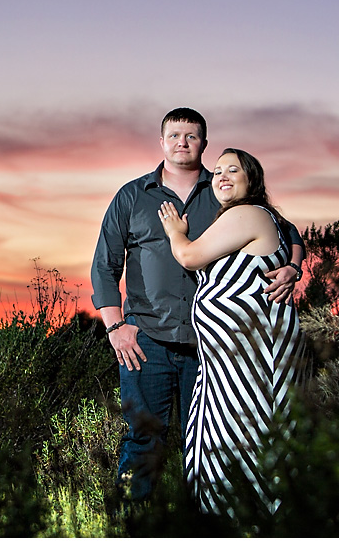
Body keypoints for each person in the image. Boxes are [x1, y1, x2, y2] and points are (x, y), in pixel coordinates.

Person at [90, 107, 304, 501]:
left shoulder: (225, 190)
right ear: (162, 142)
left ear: (203, 142)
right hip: (145, 340)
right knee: (143, 440)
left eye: (191, 136)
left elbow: (285, 228)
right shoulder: (133, 196)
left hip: (209, 348)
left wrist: (292, 265)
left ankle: (198, 523)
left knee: (208, 443)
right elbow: (104, 265)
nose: (182, 143)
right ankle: (127, 523)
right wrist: (115, 326)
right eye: (174, 136)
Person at [158, 147, 308, 517]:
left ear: (250, 181)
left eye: (233, 170)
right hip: (231, 359)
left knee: (247, 436)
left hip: (250, 355)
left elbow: (190, 256)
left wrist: (176, 233)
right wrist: (294, 263)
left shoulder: (247, 214)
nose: (222, 176)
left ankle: (249, 521)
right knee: (233, 436)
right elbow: (291, 236)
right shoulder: (249, 217)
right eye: (218, 170)